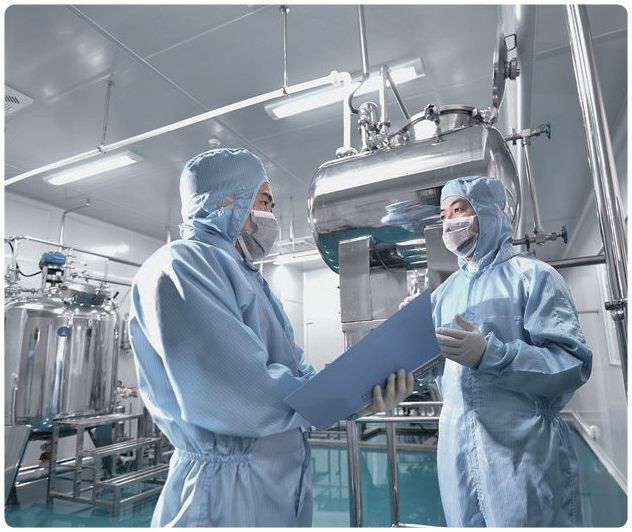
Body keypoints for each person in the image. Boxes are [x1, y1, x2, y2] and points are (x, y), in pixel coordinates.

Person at [128, 148, 412, 527]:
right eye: (263, 201)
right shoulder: (182, 265)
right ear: (226, 201)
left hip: (274, 480)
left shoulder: (247, 276)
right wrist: (339, 398)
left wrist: (357, 395)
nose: (271, 215)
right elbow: (238, 389)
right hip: (225, 491)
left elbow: (294, 368)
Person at [428, 175, 592, 527]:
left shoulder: (533, 276)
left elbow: (571, 363)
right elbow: (443, 371)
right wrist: (409, 372)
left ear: (489, 211)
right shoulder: (443, 294)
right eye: (443, 215)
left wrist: (491, 355)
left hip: (522, 451)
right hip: (456, 449)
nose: (449, 222)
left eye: (459, 209)